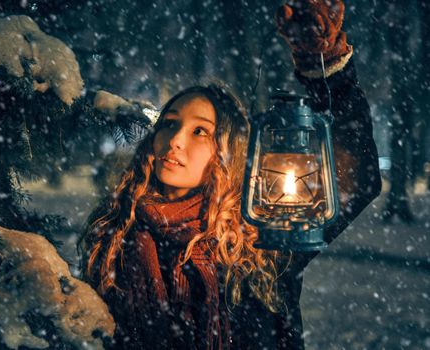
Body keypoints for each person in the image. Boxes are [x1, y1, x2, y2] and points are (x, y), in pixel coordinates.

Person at [80, 1, 381, 349]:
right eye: (170, 124)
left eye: (200, 132)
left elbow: (358, 175)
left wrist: (327, 67)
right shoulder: (113, 235)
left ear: (227, 153)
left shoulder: (257, 241)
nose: (176, 140)